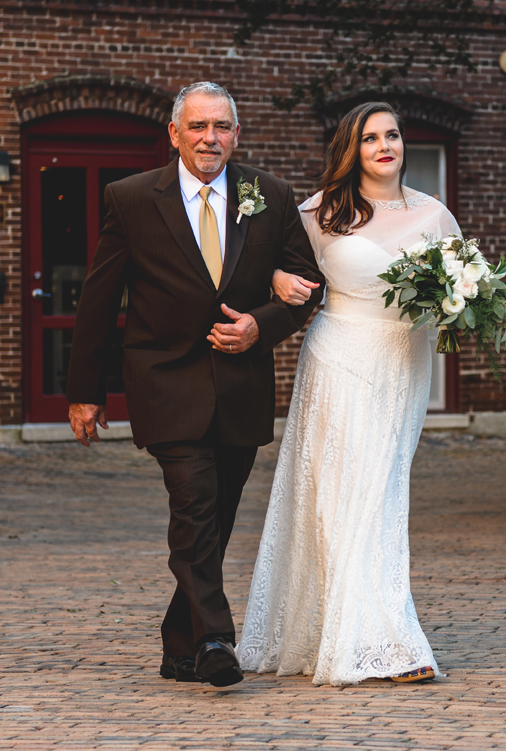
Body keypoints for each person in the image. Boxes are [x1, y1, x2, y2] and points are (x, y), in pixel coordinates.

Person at [65, 81, 324, 688]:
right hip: (165, 381)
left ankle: (178, 644)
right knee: (194, 505)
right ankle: (213, 640)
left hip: (240, 385)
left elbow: (309, 284)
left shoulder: (270, 195)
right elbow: (98, 301)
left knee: (216, 518)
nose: (212, 138)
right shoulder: (130, 199)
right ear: (175, 134)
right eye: (199, 127)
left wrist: (261, 326)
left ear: (237, 134)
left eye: (223, 127)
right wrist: (86, 390)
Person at [238, 102, 459, 686]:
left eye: (392, 135)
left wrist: (467, 309)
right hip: (339, 359)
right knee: (347, 497)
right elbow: (258, 267)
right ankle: (383, 642)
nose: (384, 146)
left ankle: (352, 627)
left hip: (404, 364)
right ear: (351, 149)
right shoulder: (318, 212)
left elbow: (460, 295)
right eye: (370, 138)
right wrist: (276, 280)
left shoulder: (435, 215)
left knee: (383, 492)